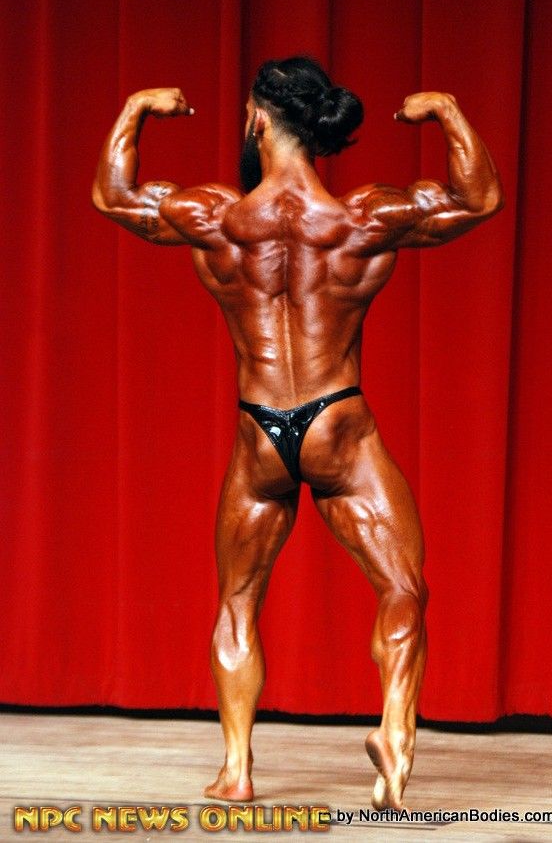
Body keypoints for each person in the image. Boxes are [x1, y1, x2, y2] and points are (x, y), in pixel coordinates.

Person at [92, 56, 503, 810]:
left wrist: (137, 107)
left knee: (238, 600)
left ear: (256, 119)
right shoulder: (360, 220)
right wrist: (446, 110)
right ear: (317, 129)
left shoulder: (218, 218)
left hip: (260, 434)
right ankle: (395, 728)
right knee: (402, 587)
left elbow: (113, 196)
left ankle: (237, 770)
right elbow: (478, 199)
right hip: (336, 422)